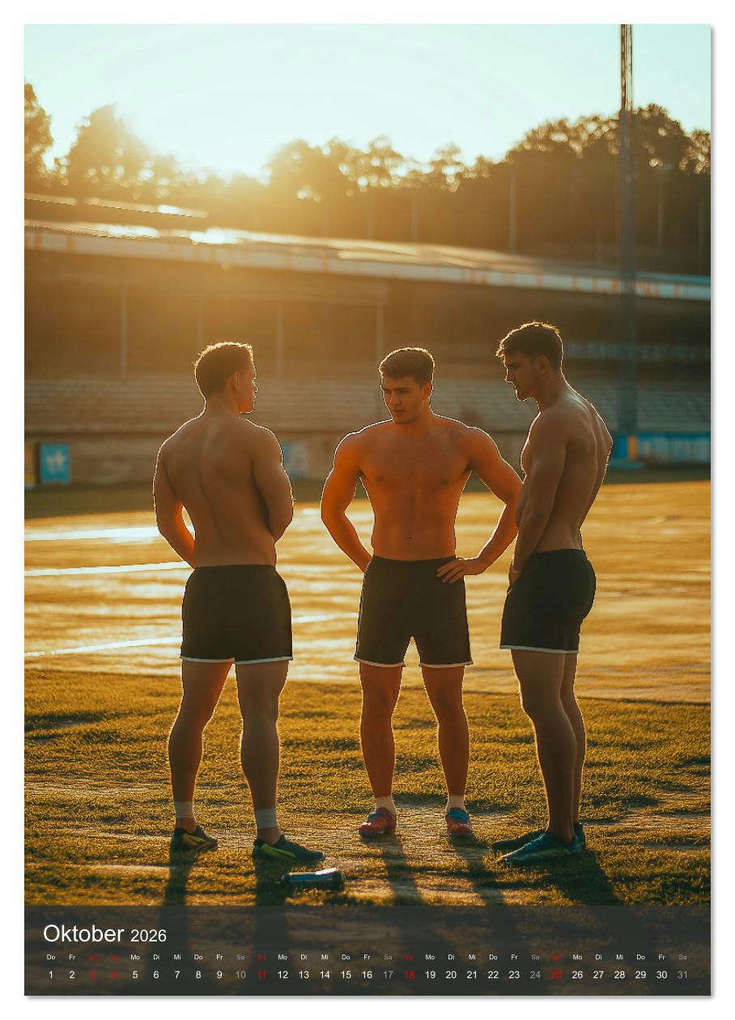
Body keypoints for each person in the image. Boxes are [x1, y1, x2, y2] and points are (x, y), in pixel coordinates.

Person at [321, 347, 521, 838]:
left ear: (428, 389)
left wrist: (483, 560)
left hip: (439, 579)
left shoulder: (464, 440)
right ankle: (383, 806)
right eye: (387, 392)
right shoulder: (361, 444)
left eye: (403, 392)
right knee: (377, 700)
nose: (393, 400)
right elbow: (332, 511)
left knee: (447, 700)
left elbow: (521, 497)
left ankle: (456, 807)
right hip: (386, 578)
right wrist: (367, 564)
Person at [153, 340, 324, 865]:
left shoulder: (173, 446)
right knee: (259, 711)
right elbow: (284, 511)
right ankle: (268, 833)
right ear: (233, 380)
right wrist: (255, 545)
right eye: (251, 377)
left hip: (205, 585)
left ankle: (185, 822)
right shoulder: (255, 438)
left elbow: (166, 523)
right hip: (253, 583)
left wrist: (203, 560)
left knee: (193, 709)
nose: (255, 386)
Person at [492, 322, 612, 865]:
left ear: (543, 362)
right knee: (561, 699)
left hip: (547, 568)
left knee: (542, 703)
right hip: (574, 560)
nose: (510, 377)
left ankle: (561, 834)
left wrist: (519, 565)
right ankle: (566, 825)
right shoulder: (589, 415)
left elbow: (535, 507)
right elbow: (585, 487)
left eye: (515, 365)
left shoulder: (551, 419)